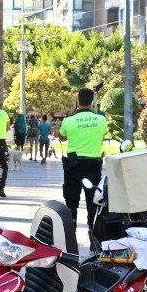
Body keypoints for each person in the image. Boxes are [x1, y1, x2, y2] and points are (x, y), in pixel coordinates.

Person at [59, 88, 108, 239]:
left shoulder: (68, 121)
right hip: (93, 166)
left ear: (78, 100)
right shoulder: (101, 120)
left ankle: (70, 231)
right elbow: (103, 134)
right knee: (93, 201)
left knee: (71, 200)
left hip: (73, 166)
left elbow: (61, 137)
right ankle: (92, 230)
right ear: (92, 101)